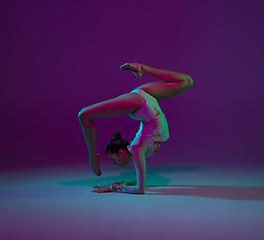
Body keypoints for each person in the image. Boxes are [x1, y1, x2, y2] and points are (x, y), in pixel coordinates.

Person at [79, 63, 193, 194]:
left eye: (113, 159)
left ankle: (93, 159)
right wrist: (114, 184)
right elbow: (137, 181)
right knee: (187, 81)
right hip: (148, 97)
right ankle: (143, 69)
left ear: (121, 153)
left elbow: (139, 189)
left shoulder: (137, 149)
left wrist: (112, 188)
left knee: (84, 115)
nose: (113, 163)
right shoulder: (138, 149)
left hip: (138, 103)